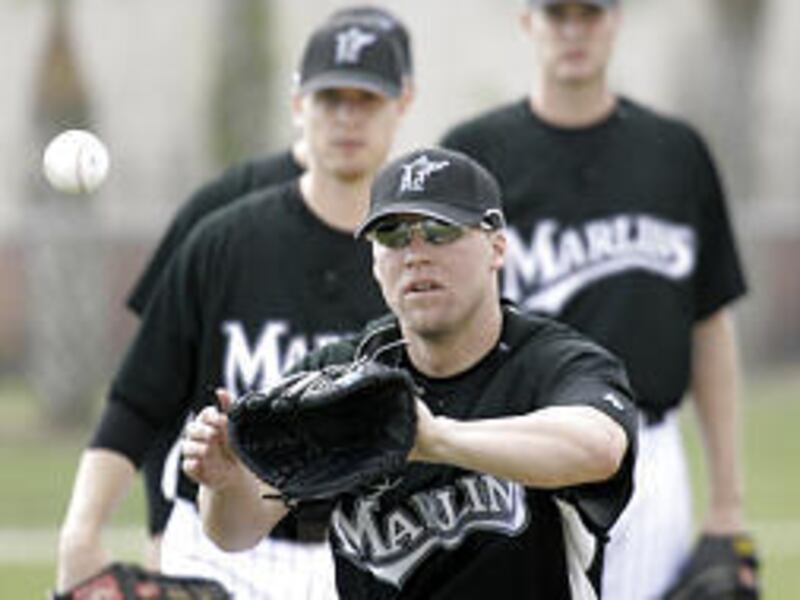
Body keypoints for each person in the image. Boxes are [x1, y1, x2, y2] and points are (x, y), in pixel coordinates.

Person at [56, 14, 412, 599]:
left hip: (363, 551)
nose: (347, 117)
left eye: (366, 100)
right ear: (298, 103)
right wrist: (81, 531)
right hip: (216, 548)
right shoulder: (224, 239)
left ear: (402, 104)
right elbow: (140, 398)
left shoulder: (414, 258)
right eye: (331, 98)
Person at [182, 147, 639, 599]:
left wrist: (432, 440)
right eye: (393, 235)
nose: (416, 254)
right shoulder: (344, 374)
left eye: (439, 230)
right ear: (375, 264)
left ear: (496, 247)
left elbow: (599, 449)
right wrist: (226, 483)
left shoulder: (549, 361)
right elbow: (235, 534)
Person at [440, 0, 751, 597]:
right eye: (558, 13)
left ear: (617, 19)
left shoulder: (675, 153)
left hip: (652, 457)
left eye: (591, 11)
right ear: (528, 21)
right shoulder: (476, 155)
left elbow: (710, 323)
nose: (575, 29)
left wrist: (728, 504)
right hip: (519, 445)